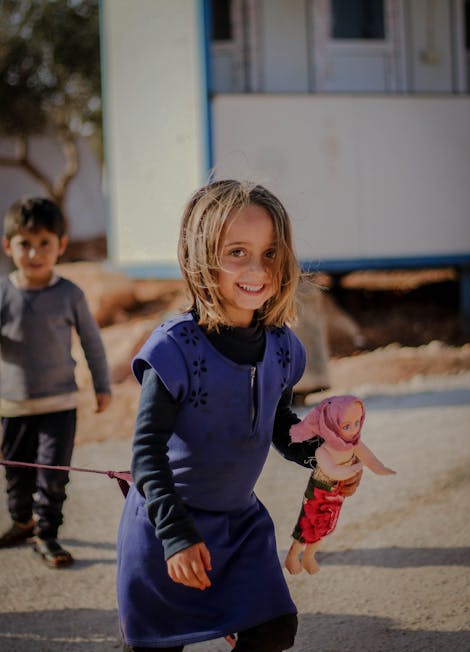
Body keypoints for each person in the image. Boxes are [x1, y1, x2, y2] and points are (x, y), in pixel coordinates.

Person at [116, 179, 362, 652]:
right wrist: (175, 535)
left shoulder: (284, 347)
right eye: (236, 252)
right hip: (167, 527)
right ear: (199, 256)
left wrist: (324, 457)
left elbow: (277, 422)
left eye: (270, 253)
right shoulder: (172, 349)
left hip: (239, 526)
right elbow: (146, 455)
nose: (257, 269)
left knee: (273, 630)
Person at [0, 197, 112, 567]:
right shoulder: (3, 293)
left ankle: (47, 535)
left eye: (44, 243)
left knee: (52, 475)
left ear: (61, 245)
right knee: (17, 475)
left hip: (60, 405)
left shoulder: (70, 294)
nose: (34, 253)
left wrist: (102, 386)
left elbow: (92, 343)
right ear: (8, 246)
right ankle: (21, 521)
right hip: (13, 406)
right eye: (24, 244)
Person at [285, 395, 395, 576]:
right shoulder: (324, 450)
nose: (353, 430)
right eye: (346, 426)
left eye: (357, 423)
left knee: (325, 526)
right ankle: (293, 555)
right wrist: (356, 468)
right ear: (330, 425)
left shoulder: (353, 443)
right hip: (320, 490)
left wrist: (380, 468)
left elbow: (370, 458)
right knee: (308, 525)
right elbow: (333, 471)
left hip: (337, 491)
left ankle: (309, 556)